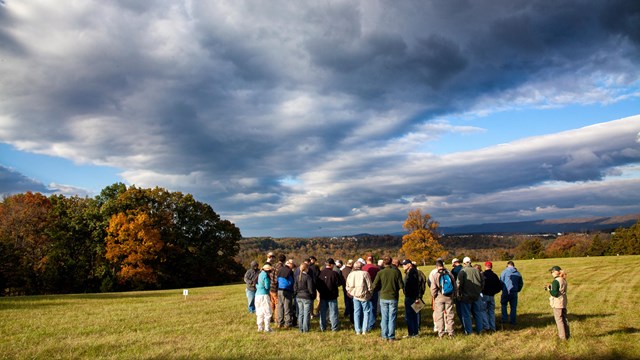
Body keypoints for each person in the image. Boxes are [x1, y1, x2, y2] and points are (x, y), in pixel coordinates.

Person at [372, 256, 404, 341]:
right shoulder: (396, 272)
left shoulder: (380, 273)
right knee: (392, 317)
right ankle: (391, 336)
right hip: (393, 296)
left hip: (383, 296)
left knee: (384, 317)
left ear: (384, 263)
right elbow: (401, 285)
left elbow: (374, 285)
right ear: (391, 262)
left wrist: (380, 288)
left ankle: (384, 335)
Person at [457, 257, 484, 335]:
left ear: (464, 263)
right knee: (478, 313)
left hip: (466, 296)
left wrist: (459, 294)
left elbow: (458, 284)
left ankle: (469, 331)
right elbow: (482, 282)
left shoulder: (462, 271)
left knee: (466, 315)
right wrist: (479, 291)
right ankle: (480, 330)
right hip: (476, 295)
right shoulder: (477, 271)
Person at [345, 260, 373, 334]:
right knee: (366, 312)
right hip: (364, 295)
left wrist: (350, 292)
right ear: (361, 267)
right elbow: (369, 285)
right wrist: (370, 293)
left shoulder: (351, 274)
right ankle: (364, 329)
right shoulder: (365, 273)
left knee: (356, 312)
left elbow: (347, 285)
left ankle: (357, 330)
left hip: (355, 295)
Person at [430, 259, 456, 338]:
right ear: (443, 265)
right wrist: (453, 294)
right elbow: (454, 284)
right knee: (450, 315)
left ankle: (441, 333)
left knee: (439, 315)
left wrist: (434, 296)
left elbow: (433, 288)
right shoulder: (449, 273)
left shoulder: (435, 274)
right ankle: (451, 332)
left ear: (436, 266)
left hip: (439, 297)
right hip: (449, 296)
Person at [316, 258, 344, 331]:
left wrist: (320, 291)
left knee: (323, 312)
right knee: (333, 312)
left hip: (323, 295)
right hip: (332, 295)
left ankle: (323, 327)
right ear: (331, 265)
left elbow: (317, 284)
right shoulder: (334, 273)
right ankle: (334, 327)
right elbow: (340, 283)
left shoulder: (320, 273)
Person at [546, 265, 570, 340]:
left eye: (552, 272)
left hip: (557, 303)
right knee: (564, 319)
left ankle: (562, 337)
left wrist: (549, 289)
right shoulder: (563, 279)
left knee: (559, 320)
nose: (551, 273)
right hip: (563, 301)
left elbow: (554, 293)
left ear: (555, 272)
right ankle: (567, 335)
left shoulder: (556, 281)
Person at [500, 260, 524, 325]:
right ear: (513, 265)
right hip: (514, 292)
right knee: (513, 307)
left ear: (507, 265)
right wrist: (517, 290)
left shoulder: (504, 272)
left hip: (505, 291)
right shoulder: (518, 273)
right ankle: (513, 321)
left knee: (504, 305)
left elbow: (501, 282)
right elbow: (521, 283)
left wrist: (503, 289)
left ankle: (504, 319)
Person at [401, 259, 421, 338]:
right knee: (412, 315)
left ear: (409, 264)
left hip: (411, 297)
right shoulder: (411, 272)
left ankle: (413, 333)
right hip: (411, 296)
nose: (403, 266)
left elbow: (414, 286)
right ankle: (413, 332)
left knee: (411, 315)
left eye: (405, 264)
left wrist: (416, 296)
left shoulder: (412, 273)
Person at [294, 262, 315, 333]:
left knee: (301, 313)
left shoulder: (297, 277)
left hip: (299, 296)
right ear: (307, 269)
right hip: (306, 297)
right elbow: (310, 288)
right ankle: (305, 329)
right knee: (306, 314)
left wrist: (296, 294)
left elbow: (295, 288)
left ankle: (300, 328)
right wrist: (312, 295)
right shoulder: (308, 277)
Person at [481, 261, 502, 332]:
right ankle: (493, 327)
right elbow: (499, 287)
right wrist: (494, 292)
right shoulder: (495, 276)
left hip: (484, 295)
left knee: (483, 311)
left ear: (485, 266)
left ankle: (487, 326)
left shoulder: (483, 275)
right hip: (492, 296)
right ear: (491, 267)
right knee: (491, 312)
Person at [362, 256, 381, 331]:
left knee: (365, 307)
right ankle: (371, 324)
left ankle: (365, 323)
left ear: (366, 260)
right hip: (374, 289)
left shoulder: (363, 268)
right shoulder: (376, 268)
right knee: (373, 307)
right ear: (373, 260)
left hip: (365, 290)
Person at [277, 259, 295, 328]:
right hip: (287, 290)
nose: (293, 267)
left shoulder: (280, 269)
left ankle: (280, 322)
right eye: (292, 265)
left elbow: (277, 279)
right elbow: (291, 282)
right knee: (287, 307)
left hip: (279, 290)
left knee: (280, 306)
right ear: (290, 264)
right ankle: (288, 323)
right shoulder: (289, 271)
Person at [255, 263, 273, 332]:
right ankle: (267, 328)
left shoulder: (259, 274)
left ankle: (260, 327)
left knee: (259, 312)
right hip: (264, 295)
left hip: (257, 295)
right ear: (268, 270)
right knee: (267, 312)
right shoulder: (265, 275)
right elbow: (267, 286)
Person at [269, 254, 285, 322]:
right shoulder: (281, 267)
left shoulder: (273, 265)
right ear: (284, 260)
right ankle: (276, 319)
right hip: (276, 287)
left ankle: (270, 317)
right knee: (277, 304)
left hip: (270, 287)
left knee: (271, 303)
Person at [341, 259, 355, 325]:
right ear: (351, 264)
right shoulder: (351, 271)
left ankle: (347, 312)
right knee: (350, 301)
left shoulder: (343, 270)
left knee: (346, 299)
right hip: (350, 288)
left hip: (344, 287)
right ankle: (348, 312)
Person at [451, 258, 463, 322]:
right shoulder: (464, 268)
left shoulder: (454, 271)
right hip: (465, 291)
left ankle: (463, 324)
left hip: (457, 291)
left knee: (459, 309)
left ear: (455, 263)